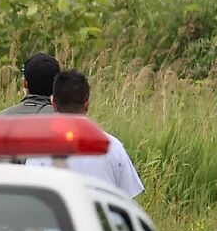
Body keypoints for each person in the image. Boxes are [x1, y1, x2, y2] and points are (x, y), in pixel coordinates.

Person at [26, 70, 145, 198]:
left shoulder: (38, 152)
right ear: (87, 104)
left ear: (53, 104)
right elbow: (129, 200)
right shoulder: (112, 146)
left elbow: (31, 199)